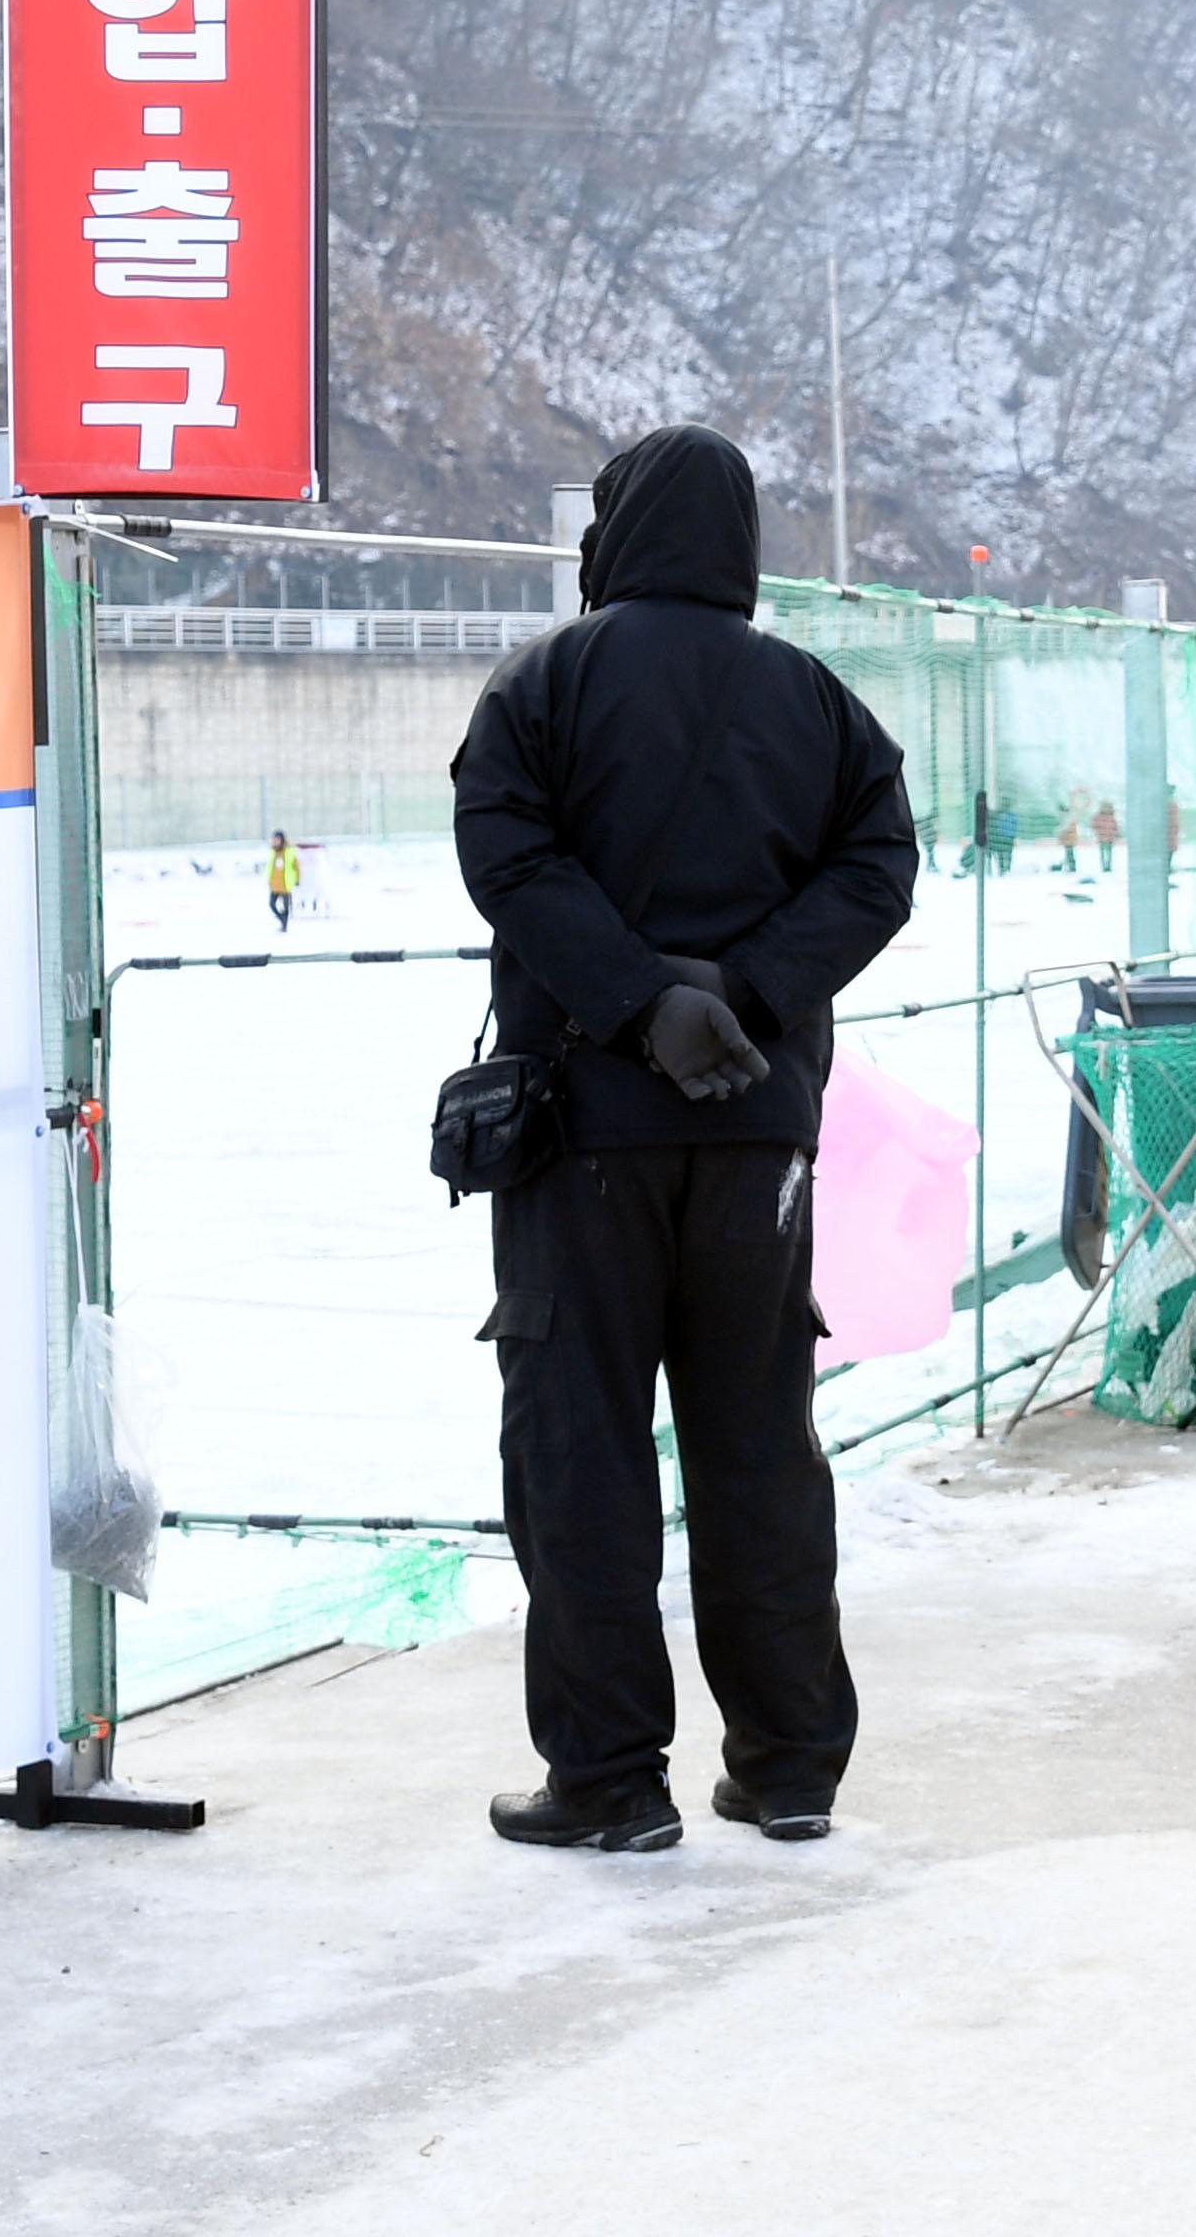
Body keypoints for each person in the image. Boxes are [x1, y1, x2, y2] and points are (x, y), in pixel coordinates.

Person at [450, 424, 920, 1854]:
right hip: (759, 1137)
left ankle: (607, 1781)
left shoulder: (543, 682)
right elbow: (880, 868)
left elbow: (506, 855)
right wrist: (750, 992)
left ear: (613, 531)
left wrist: (639, 1002)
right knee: (759, 1446)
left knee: (582, 1450)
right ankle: (787, 1766)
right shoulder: (818, 701)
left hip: (582, 1128)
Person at [265, 830, 300, 933]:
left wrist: (297, 879)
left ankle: (284, 925)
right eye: (274, 840)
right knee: (272, 904)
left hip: (286, 883)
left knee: (286, 907)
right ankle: (282, 919)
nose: (275, 842)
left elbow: (296, 866)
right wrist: (269, 880)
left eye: (277, 840)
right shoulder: (273, 852)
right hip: (275, 883)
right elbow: (270, 867)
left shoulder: (289, 851)